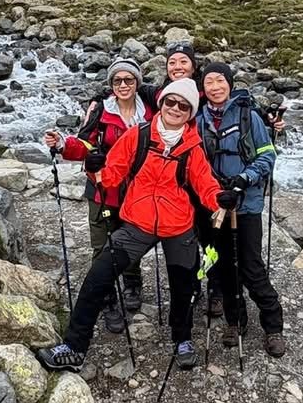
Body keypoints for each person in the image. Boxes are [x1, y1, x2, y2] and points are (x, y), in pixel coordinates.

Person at [34, 78, 235, 373]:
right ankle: (74, 348)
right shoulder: (137, 135)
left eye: (183, 106)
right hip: (137, 222)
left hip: (177, 225)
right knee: (97, 278)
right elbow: (110, 176)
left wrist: (219, 198)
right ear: (161, 103)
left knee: (184, 288)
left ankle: (182, 339)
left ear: (190, 113)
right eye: (170, 102)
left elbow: (205, 184)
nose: (175, 108)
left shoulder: (192, 147)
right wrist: (94, 169)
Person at [44, 57, 148, 334]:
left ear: (137, 82)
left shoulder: (149, 111)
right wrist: (63, 144)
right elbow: (84, 143)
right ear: (111, 84)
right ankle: (107, 297)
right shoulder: (101, 110)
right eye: (117, 80)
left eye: (128, 79)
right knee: (102, 247)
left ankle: (133, 282)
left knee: (132, 241)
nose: (123, 85)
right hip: (103, 189)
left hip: (137, 191)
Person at [196, 61, 287, 357]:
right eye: (209, 82)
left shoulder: (249, 116)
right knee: (224, 267)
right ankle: (235, 321)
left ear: (230, 84)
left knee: (251, 267)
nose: (215, 87)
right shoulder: (198, 119)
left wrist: (244, 179)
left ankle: (273, 326)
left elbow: (267, 155)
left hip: (245, 204)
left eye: (220, 81)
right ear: (203, 87)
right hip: (215, 204)